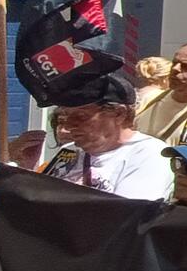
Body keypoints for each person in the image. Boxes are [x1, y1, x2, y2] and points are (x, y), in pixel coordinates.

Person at [29, 72, 178, 200]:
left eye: (81, 116)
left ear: (119, 114)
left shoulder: (150, 154)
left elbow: (125, 216)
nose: (69, 126)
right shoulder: (70, 151)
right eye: (66, 116)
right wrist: (27, 165)